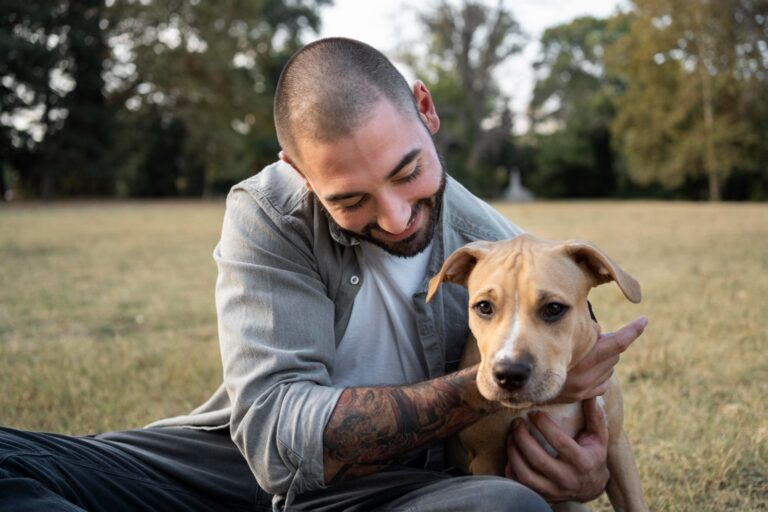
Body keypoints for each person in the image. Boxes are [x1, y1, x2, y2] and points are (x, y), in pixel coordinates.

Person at [0, 38, 647, 512]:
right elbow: (276, 432)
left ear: (426, 110)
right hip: (234, 465)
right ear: (298, 170)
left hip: (403, 488)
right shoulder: (268, 212)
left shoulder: (499, 249)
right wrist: (485, 390)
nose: (394, 218)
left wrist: (584, 471)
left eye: (406, 173)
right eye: (350, 199)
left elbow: (573, 367)